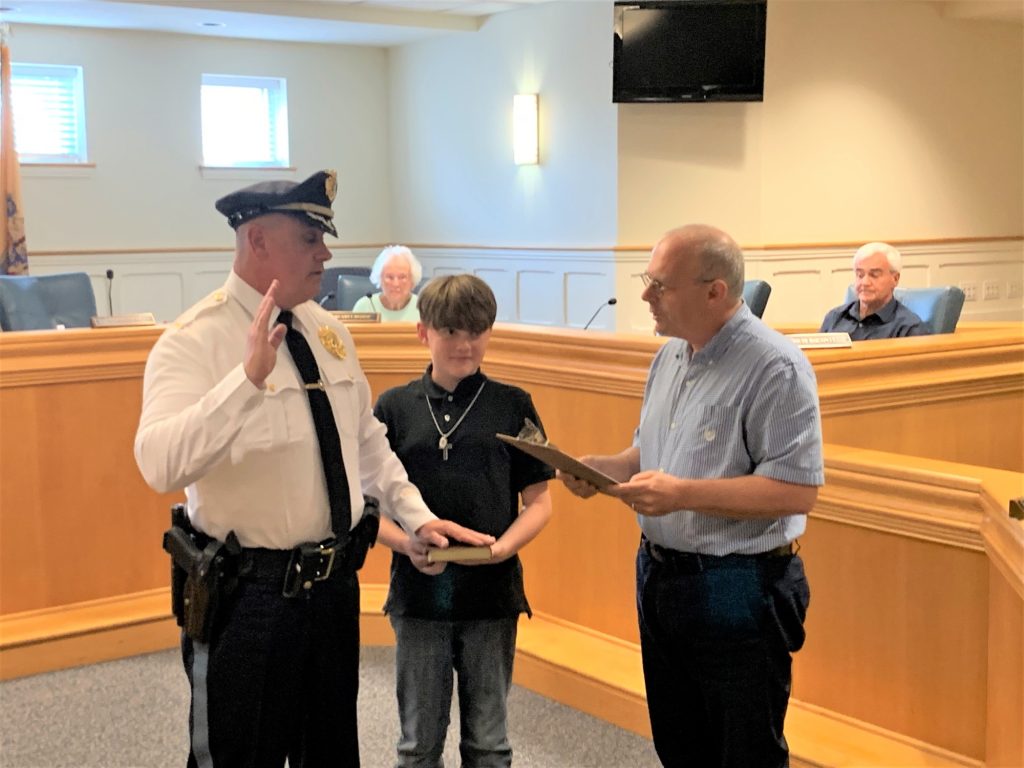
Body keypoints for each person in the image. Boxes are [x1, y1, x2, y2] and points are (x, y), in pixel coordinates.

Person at [133, 170, 494, 768]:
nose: (326, 252)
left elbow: (367, 444)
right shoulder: (192, 341)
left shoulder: (329, 333)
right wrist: (245, 381)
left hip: (331, 592)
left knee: (329, 753)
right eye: (309, 237)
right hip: (248, 599)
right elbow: (159, 463)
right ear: (257, 243)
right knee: (240, 752)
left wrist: (418, 517)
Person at [559, 224, 824, 768]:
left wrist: (682, 495)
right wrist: (604, 469)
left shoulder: (776, 366)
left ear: (715, 292)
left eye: (661, 285)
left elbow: (797, 490)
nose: (645, 296)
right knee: (680, 745)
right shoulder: (671, 357)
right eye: (647, 281)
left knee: (743, 750)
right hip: (659, 575)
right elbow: (650, 451)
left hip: (738, 585)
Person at [372, 274, 554, 768]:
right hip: (418, 595)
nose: (465, 344)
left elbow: (539, 503)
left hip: (491, 597)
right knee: (417, 745)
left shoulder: (514, 404)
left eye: (477, 331)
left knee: (489, 744)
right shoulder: (393, 407)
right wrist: (403, 543)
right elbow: (368, 510)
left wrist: (501, 549)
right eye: (450, 331)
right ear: (422, 332)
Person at [819, 242, 927, 339]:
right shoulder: (835, 317)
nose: (865, 282)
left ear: (895, 279)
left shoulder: (908, 329)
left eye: (874, 275)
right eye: (860, 275)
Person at [352, 244, 422, 321]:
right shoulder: (364, 307)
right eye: (389, 277)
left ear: (412, 279)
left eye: (402, 277)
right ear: (380, 279)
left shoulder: (424, 308)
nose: (396, 284)